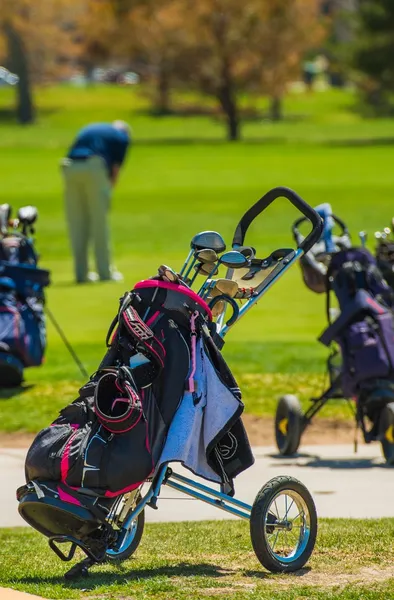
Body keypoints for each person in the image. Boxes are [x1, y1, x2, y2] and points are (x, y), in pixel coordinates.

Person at [61, 120, 131, 283]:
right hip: (94, 167)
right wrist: (108, 191)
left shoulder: (90, 128)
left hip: (69, 167)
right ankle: (105, 273)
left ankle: (81, 274)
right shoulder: (122, 136)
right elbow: (115, 169)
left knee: (77, 222)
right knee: (99, 222)